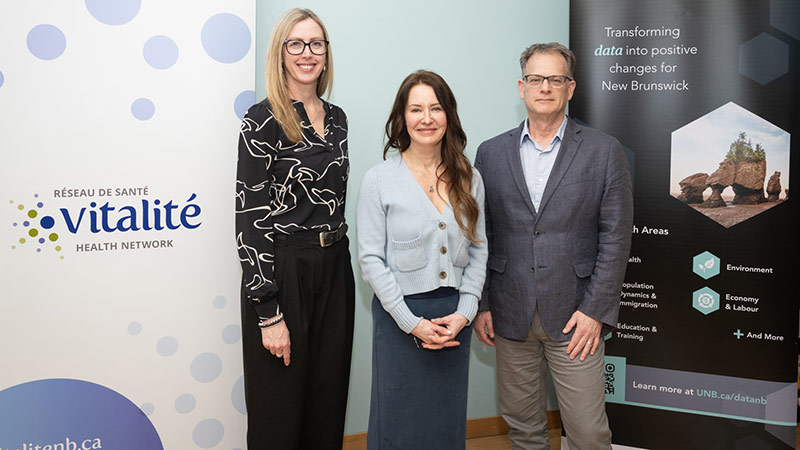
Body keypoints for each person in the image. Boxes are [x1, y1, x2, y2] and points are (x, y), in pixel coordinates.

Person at [474, 42, 633, 450]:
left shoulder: (604, 151)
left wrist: (595, 311)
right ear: (521, 87)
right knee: (524, 429)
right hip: (510, 314)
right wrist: (484, 304)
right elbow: (481, 236)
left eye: (555, 79)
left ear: (570, 88)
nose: (545, 87)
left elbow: (616, 237)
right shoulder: (489, 154)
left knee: (589, 433)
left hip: (576, 316)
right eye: (536, 78)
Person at [235, 8, 354, 450]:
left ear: (326, 54)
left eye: (317, 44)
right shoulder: (260, 119)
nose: (308, 53)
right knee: (278, 409)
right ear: (281, 52)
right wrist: (268, 311)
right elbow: (249, 219)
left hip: (334, 267)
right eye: (296, 44)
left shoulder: (338, 119)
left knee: (327, 400)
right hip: (282, 271)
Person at [356, 70, 488, 450]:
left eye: (435, 107)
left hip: (453, 319)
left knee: (444, 426)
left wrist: (465, 312)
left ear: (449, 115)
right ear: (402, 117)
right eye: (416, 109)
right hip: (400, 317)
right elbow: (370, 260)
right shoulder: (379, 180)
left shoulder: (470, 177)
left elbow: (480, 249)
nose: (426, 118)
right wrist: (411, 323)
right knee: (397, 424)